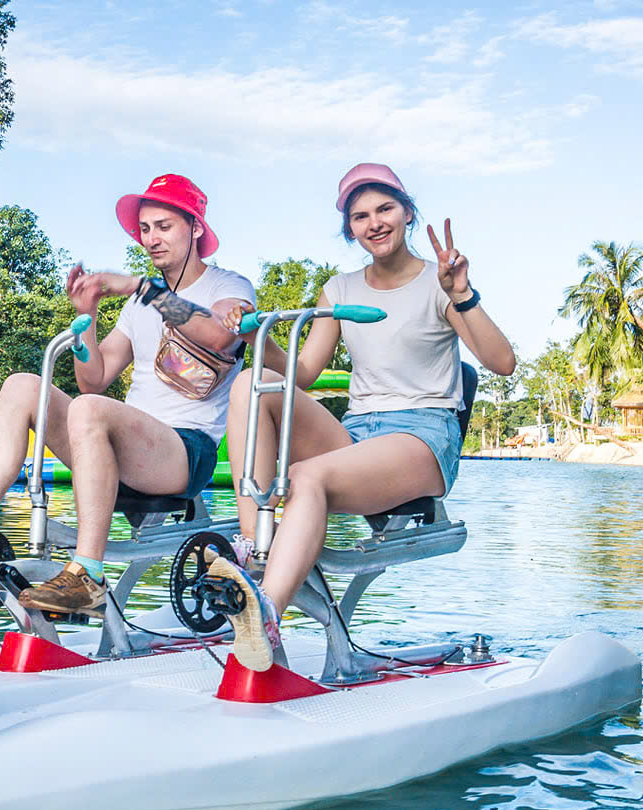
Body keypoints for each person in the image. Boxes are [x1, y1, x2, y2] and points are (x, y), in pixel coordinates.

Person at [0, 174, 258, 615]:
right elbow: (94, 380)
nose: (151, 238)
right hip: (126, 444)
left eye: (164, 226)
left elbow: (219, 335)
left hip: (185, 450)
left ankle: (88, 574)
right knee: (22, 386)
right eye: (145, 229)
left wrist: (143, 288)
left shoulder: (227, 286)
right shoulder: (137, 305)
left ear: (195, 227)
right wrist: (89, 316)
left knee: (89, 410)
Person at [208, 163, 515, 669]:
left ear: (407, 212)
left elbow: (503, 363)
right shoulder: (341, 289)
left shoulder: (438, 283)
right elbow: (302, 374)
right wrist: (249, 337)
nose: (373, 222)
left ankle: (265, 614)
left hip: (420, 435)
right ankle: (255, 551)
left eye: (384, 209)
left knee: (307, 477)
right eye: (359, 216)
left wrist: (460, 290)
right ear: (349, 228)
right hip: (356, 435)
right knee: (250, 383)